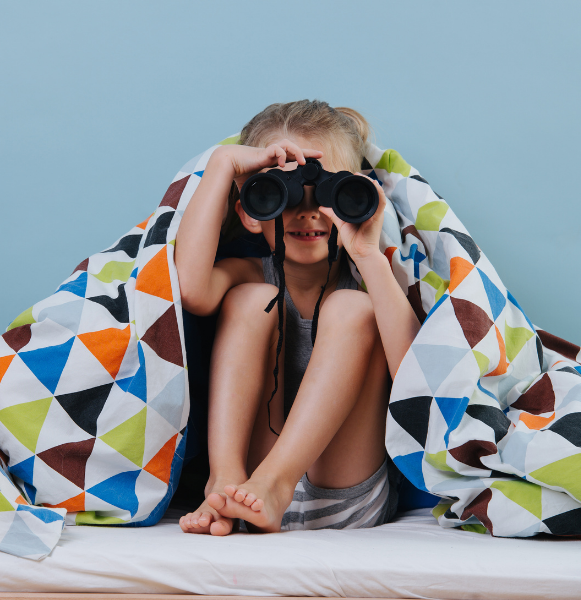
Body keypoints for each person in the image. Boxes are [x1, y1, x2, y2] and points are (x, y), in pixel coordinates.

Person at [174, 100, 421, 535]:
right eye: (279, 193)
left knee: (352, 307)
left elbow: (419, 383)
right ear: (251, 210)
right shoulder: (248, 274)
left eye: (329, 192)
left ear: (359, 197)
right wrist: (223, 164)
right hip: (245, 494)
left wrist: (366, 254)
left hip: (347, 494)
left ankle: (278, 479)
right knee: (252, 298)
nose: (307, 211)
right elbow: (191, 291)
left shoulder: (373, 284)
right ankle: (224, 476)